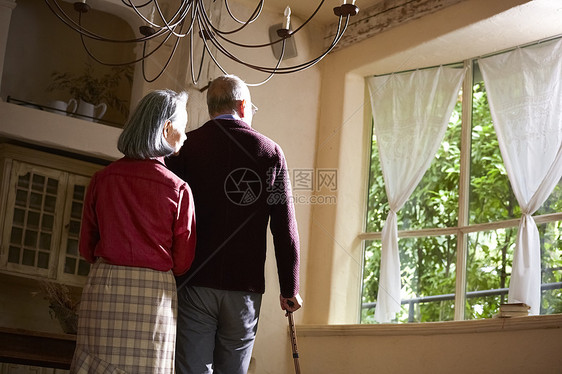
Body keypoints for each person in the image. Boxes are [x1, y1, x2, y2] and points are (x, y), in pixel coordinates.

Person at [166, 74, 302, 374]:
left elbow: (168, 215)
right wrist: (289, 287)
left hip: (195, 278)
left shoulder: (185, 149)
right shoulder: (270, 153)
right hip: (244, 286)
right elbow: (284, 226)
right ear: (243, 105)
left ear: (211, 106)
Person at [70, 89, 197, 374]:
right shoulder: (178, 190)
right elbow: (183, 262)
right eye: (184, 127)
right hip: (153, 296)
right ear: (167, 128)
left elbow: (86, 250)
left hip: (106, 287)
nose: (186, 136)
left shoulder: (102, 179)